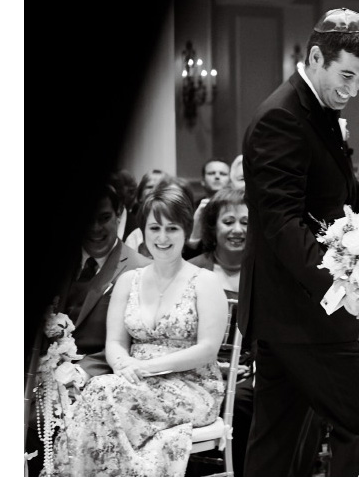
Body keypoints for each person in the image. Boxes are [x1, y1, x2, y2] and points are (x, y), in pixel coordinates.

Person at [237, 7, 359, 477]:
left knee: (278, 441)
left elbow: (329, 208)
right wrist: (342, 289)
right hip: (300, 311)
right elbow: (282, 224)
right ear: (314, 57)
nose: (353, 89)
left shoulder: (319, 110)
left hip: (293, 312)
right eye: (346, 75)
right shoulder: (281, 117)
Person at [53, 182, 228, 476]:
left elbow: (207, 350)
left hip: (192, 386)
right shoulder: (128, 280)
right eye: (154, 228)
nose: (162, 237)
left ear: (186, 230)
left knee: (104, 394)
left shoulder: (204, 282)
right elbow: (115, 343)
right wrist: (123, 365)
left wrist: (146, 367)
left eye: (171, 228)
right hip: (134, 383)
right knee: (103, 390)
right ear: (142, 231)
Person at [26, 174, 152, 476]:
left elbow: (136, 344)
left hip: (96, 377)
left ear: (119, 216)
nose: (95, 228)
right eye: (87, 219)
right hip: (38, 371)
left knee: (36, 418)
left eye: (104, 218)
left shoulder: (139, 269)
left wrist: (81, 373)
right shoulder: (55, 261)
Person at [187, 186, 252, 476]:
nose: (237, 229)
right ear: (213, 226)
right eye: (228, 222)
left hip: (250, 375)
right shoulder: (193, 272)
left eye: (246, 222)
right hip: (199, 373)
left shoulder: (266, 272)